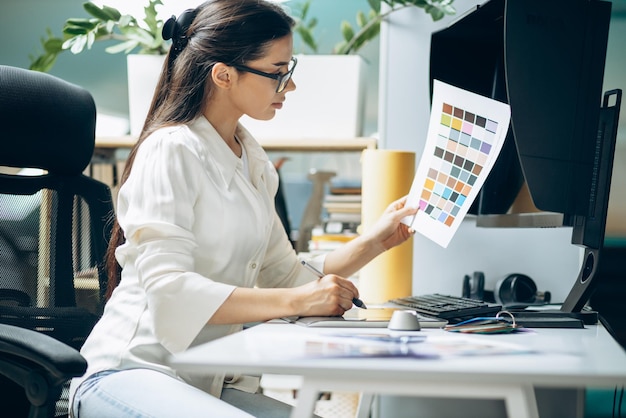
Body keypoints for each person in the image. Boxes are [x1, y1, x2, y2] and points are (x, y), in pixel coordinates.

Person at [69, 0, 418, 417]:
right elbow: (171, 293)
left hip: (206, 382)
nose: (288, 87)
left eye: (289, 72)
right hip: (132, 373)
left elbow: (285, 275)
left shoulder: (252, 160)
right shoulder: (171, 150)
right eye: (276, 73)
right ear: (223, 75)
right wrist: (299, 302)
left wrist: (376, 240)